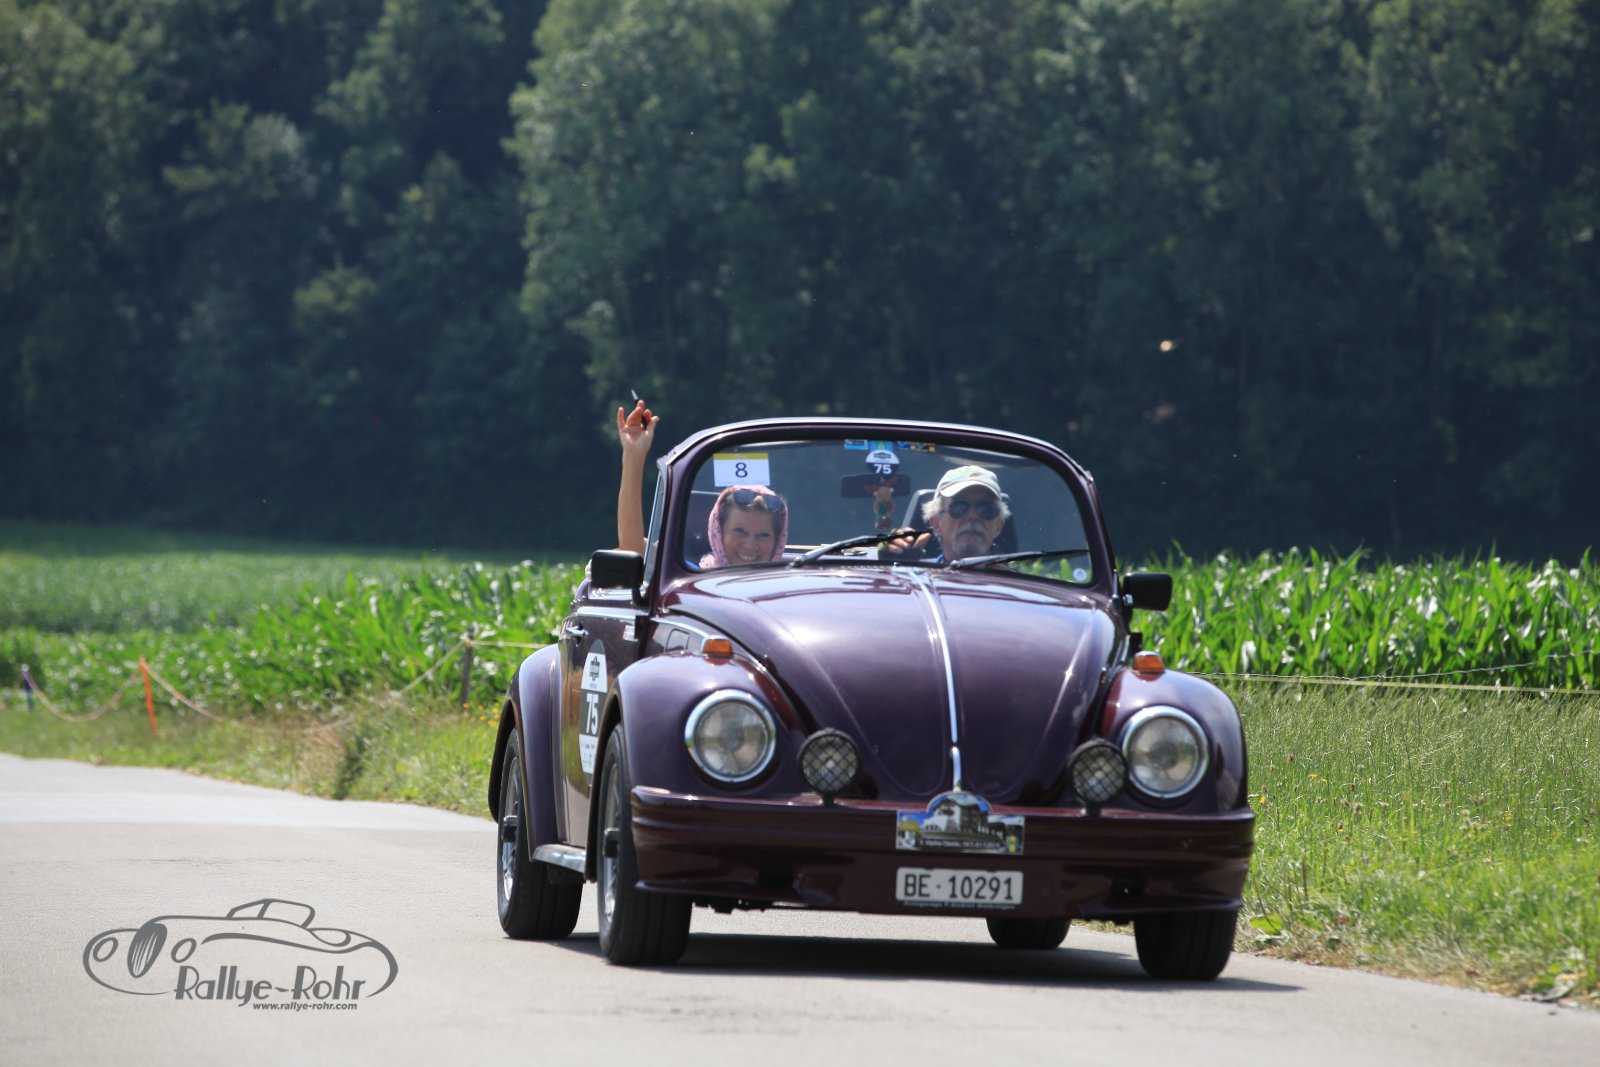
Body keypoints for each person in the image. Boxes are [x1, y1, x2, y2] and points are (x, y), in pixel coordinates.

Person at [615, 399, 789, 567]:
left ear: (777, 541)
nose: (750, 545)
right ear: (718, 532)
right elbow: (633, 549)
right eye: (739, 531)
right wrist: (633, 455)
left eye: (763, 535)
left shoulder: (793, 582)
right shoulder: (687, 576)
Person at [916, 464, 1011, 562]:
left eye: (986, 509)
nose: (973, 516)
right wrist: (907, 564)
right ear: (935, 522)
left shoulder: (1014, 572)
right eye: (959, 507)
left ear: (999, 526)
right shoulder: (916, 570)